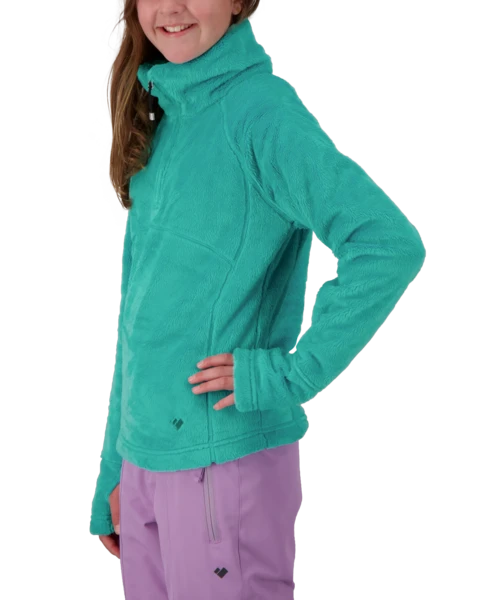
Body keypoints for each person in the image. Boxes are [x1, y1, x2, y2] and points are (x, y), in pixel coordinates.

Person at [89, 1, 427, 598]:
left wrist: (288, 375)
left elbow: (386, 245)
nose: (171, 7)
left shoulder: (260, 115)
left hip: (222, 462)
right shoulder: (165, 119)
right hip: (145, 467)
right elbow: (138, 321)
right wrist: (118, 464)